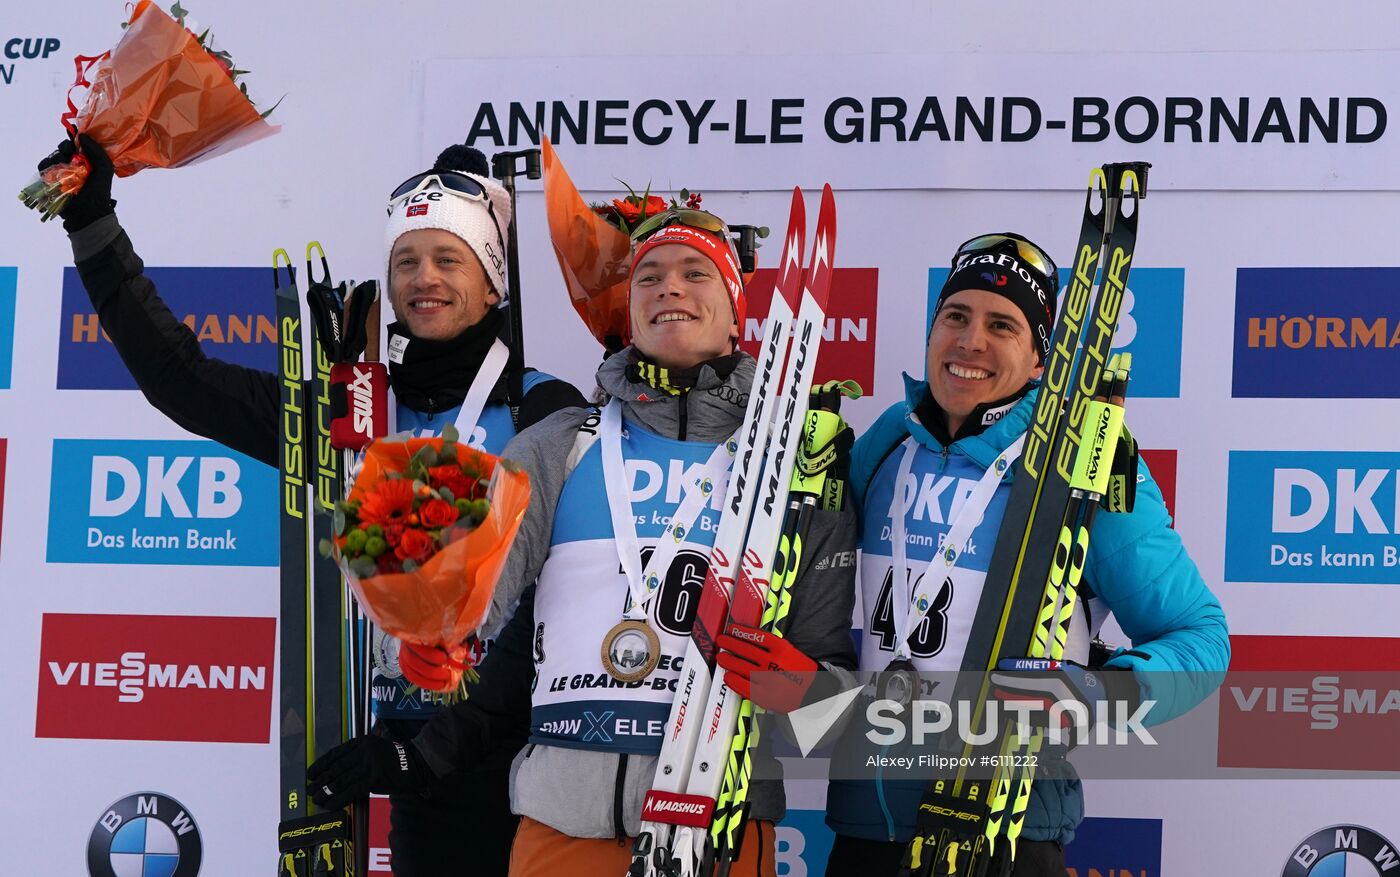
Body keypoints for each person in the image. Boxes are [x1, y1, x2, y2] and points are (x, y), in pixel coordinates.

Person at [41, 134, 586, 877]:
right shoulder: (346, 415)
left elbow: (573, 591)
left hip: (525, 760)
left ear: (492, 282)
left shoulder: (544, 410)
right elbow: (181, 379)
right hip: (402, 758)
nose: (423, 278)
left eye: (448, 258)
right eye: (405, 261)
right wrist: (93, 225)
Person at [307, 209, 859, 876]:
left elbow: (837, 708)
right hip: (561, 830)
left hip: (719, 832)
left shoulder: (798, 467)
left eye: (695, 273)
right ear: (632, 309)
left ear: (735, 309)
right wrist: (436, 640)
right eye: (649, 276)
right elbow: (478, 602)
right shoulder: (560, 445)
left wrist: (800, 689)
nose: (669, 287)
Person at [821, 233, 1229, 876]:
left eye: (1002, 325)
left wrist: (1098, 691)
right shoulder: (888, 442)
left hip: (1007, 826)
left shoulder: (1083, 465)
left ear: (1041, 359)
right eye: (955, 316)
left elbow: (1201, 638)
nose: (970, 341)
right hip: (867, 823)